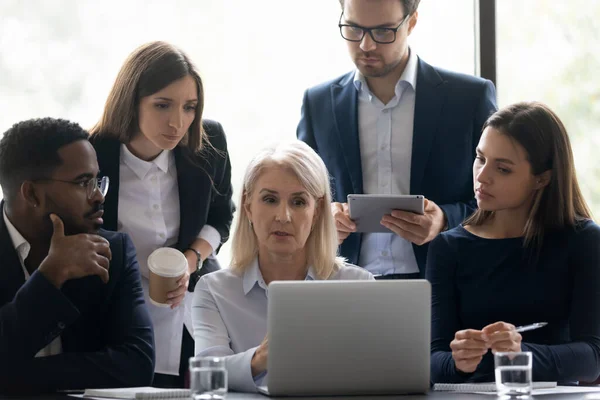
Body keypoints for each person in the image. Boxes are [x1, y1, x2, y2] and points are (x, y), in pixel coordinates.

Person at [297, 0, 497, 279]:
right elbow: (298, 195)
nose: (366, 45)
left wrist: (445, 220)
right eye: (353, 28)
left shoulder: (469, 98)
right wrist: (322, 218)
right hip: (342, 281)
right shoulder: (318, 103)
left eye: (382, 31)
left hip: (444, 283)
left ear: (411, 22)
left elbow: (501, 199)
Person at [89, 41, 234, 388]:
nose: (178, 122)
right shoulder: (91, 153)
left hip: (188, 302)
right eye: (162, 105)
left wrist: (191, 259)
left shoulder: (208, 141)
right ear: (131, 100)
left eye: (189, 107)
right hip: (114, 309)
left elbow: (221, 217)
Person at [427, 102, 600, 384]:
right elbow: (435, 360)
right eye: (480, 158)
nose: (482, 176)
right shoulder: (448, 248)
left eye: (503, 169)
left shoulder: (583, 241)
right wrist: (458, 362)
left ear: (542, 178)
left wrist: (519, 353)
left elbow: (592, 358)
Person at [192, 141, 373, 392]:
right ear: (248, 206)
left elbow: (376, 376)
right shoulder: (213, 290)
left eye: (298, 202)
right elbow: (207, 378)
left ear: (317, 210)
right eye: (269, 199)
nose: (283, 216)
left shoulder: (359, 285)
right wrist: (260, 358)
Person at [0, 118, 154, 394]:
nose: (99, 196)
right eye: (84, 183)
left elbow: (137, 365)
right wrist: (50, 276)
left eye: (97, 181)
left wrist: (13, 374)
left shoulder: (113, 250)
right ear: (32, 194)